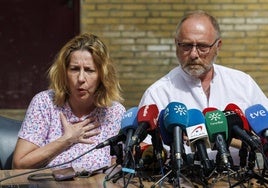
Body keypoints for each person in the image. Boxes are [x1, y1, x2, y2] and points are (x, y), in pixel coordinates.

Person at [138, 10, 268, 165]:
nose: (193, 54)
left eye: (202, 46)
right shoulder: (158, 93)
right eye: (186, 45)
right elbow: (144, 148)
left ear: (218, 46)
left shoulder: (243, 84)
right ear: (176, 44)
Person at [12, 33, 126, 172]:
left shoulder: (114, 112)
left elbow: (119, 168)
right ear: (64, 73)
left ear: (102, 76)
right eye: (74, 69)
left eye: (89, 70)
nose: (81, 78)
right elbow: (19, 164)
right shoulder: (45, 103)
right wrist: (67, 140)